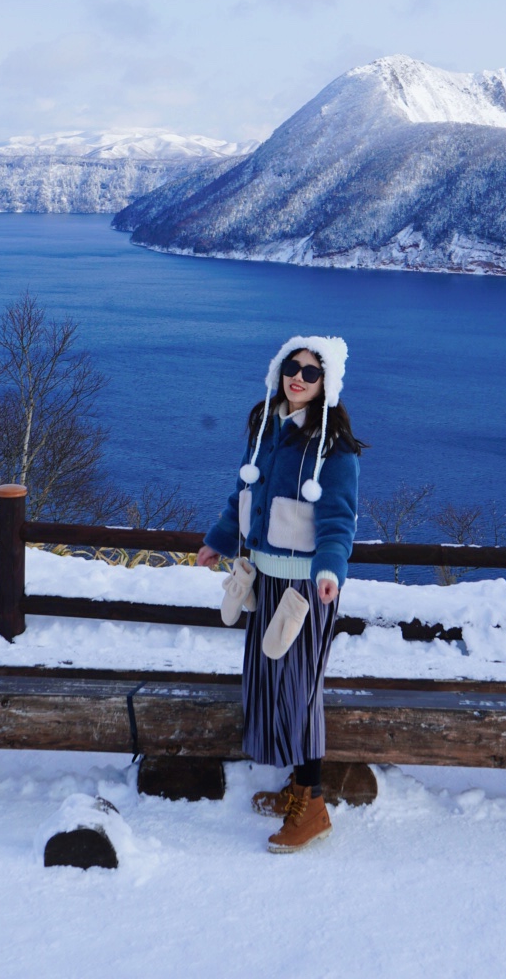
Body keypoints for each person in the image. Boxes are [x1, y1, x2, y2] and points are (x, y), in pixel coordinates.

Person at [197, 335, 361, 852]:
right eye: (292, 367)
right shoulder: (266, 429)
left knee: (299, 695)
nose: (299, 377)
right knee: (271, 687)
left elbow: (339, 522)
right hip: (264, 582)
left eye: (311, 372)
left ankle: (312, 805)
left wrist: (330, 572)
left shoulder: (333, 450)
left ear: (326, 383)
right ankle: (297, 786)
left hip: (304, 591)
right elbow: (242, 498)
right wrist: (217, 543)